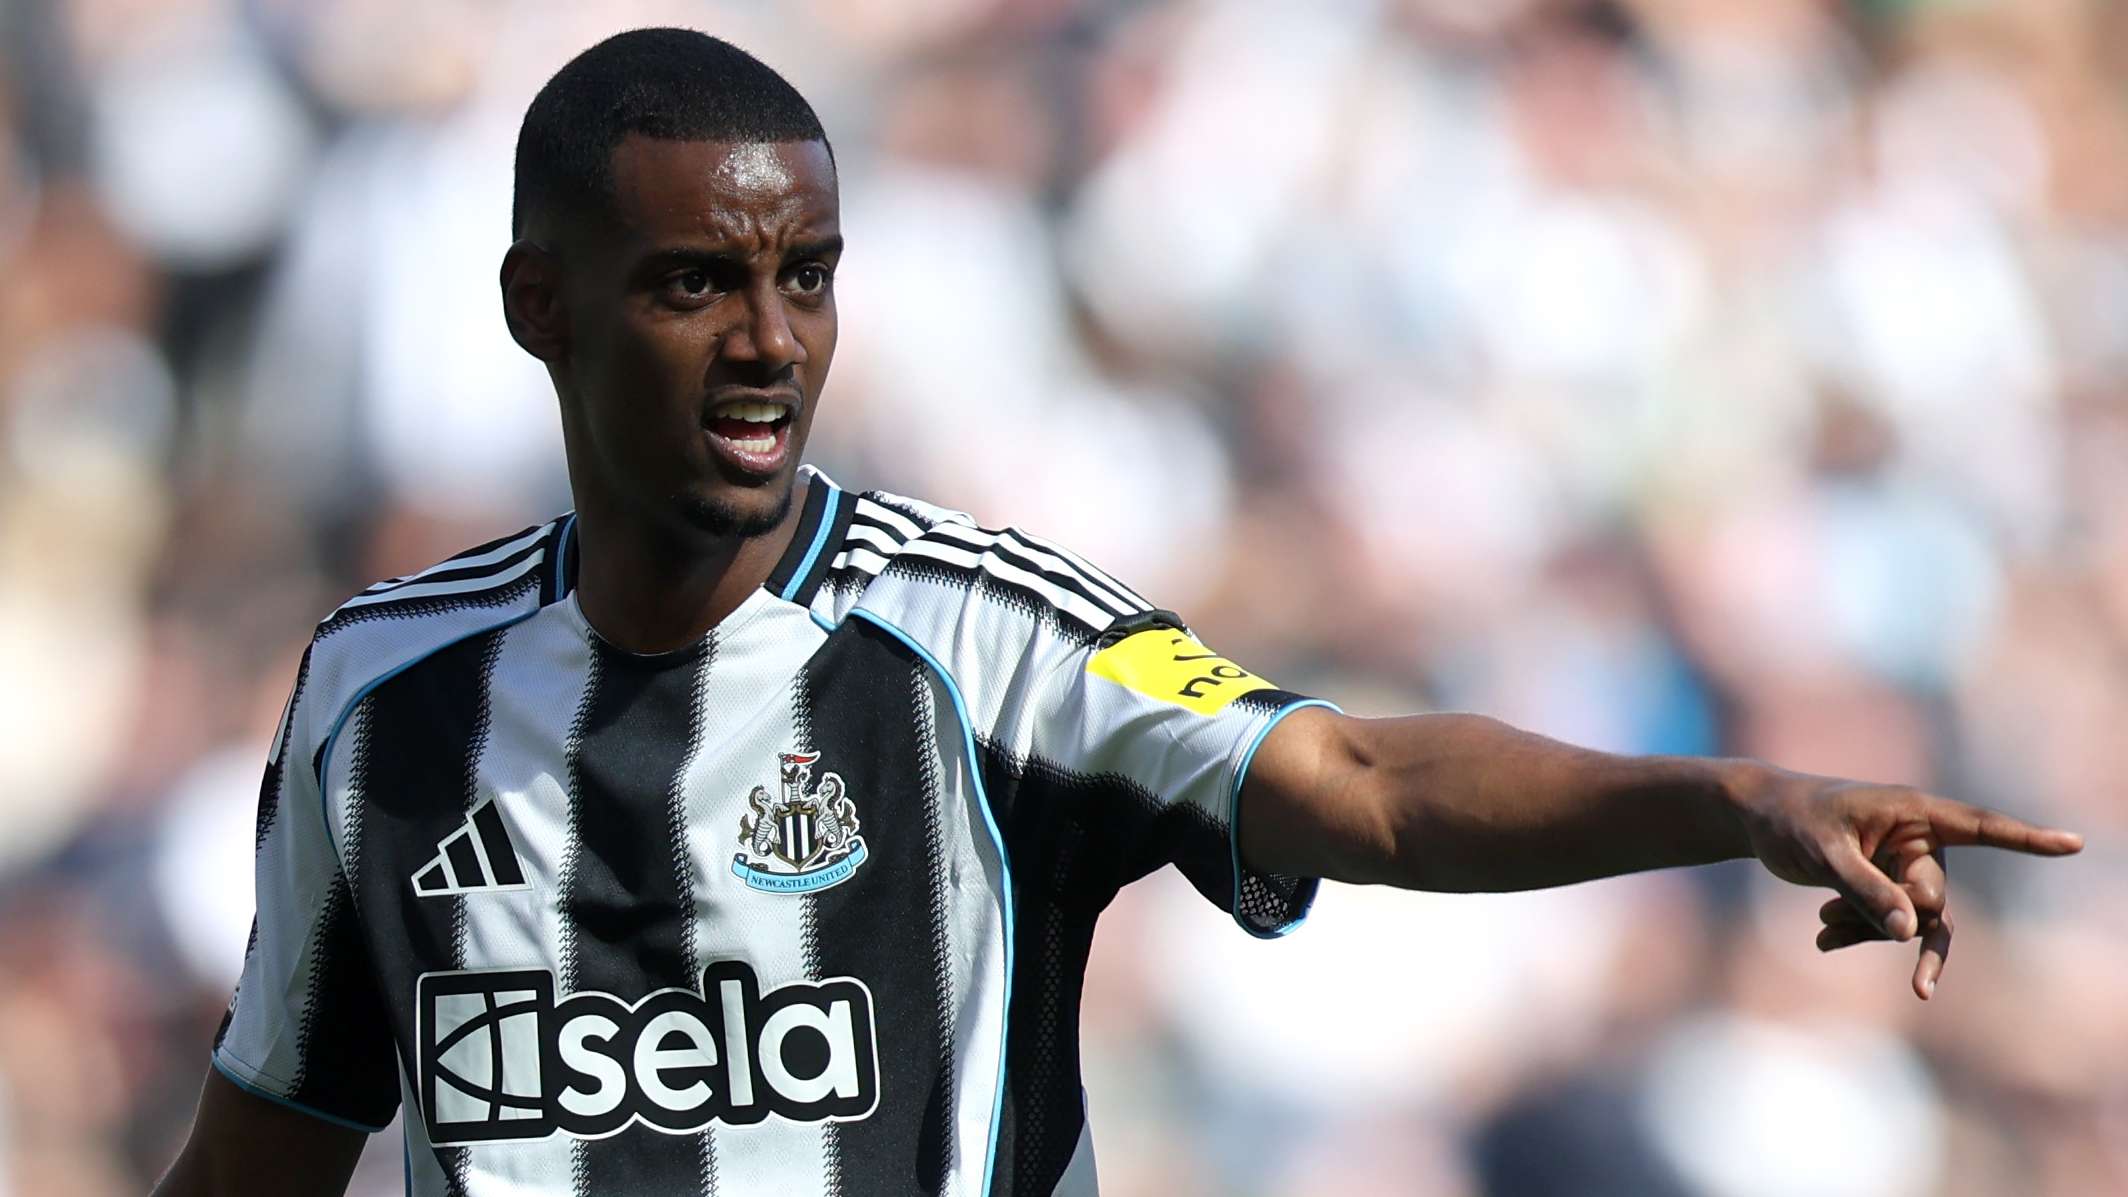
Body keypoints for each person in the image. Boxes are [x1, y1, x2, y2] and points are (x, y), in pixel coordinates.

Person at [152, 27, 2083, 1197]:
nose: (770, 343)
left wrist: (1736, 797)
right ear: (540, 305)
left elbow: (1363, 782)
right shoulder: (386, 695)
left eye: (808, 276)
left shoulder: (986, 639)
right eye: (692, 286)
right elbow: (269, 1147)